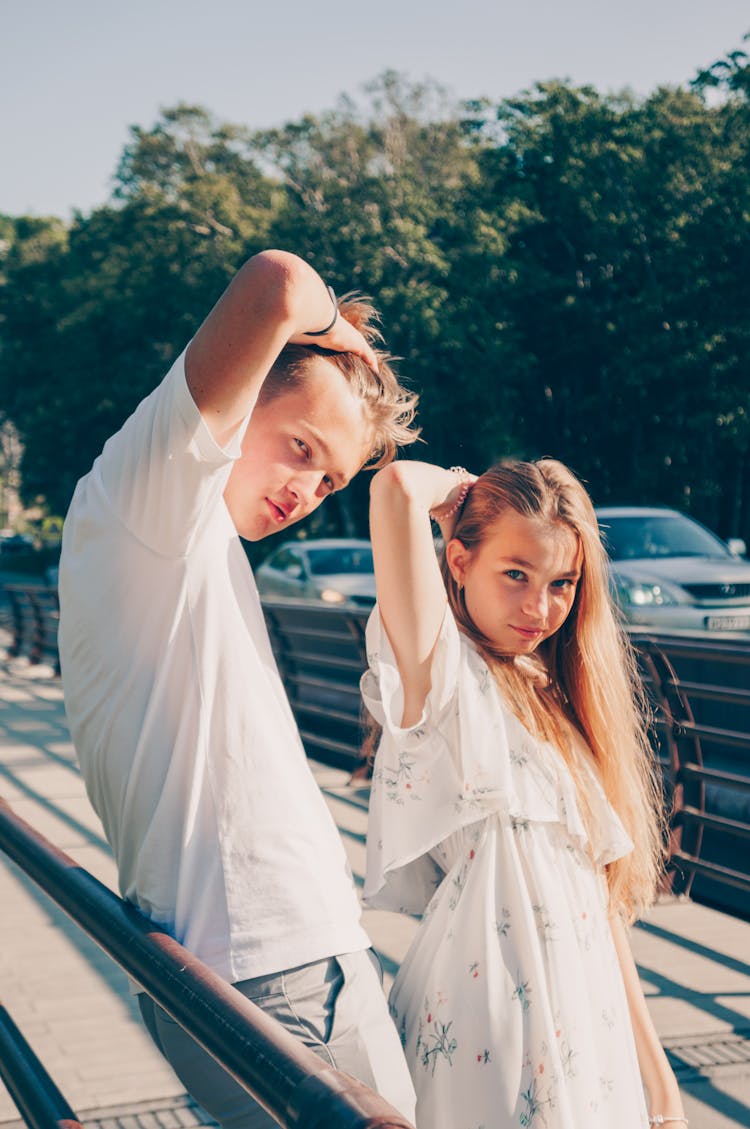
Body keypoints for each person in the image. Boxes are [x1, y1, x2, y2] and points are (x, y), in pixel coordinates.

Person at [57, 250, 419, 1128]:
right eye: (302, 447)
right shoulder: (150, 496)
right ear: (244, 391)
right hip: (265, 971)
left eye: (330, 479)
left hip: (296, 955)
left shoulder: (189, 541)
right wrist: (344, 343)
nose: (307, 491)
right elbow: (278, 284)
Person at [361, 459, 688, 1129]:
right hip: (484, 1030)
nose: (540, 607)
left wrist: (661, 1087)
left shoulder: (556, 700)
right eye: (516, 574)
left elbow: (597, 907)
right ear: (458, 560)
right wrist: (461, 491)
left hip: (585, 1029)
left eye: (561, 582)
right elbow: (394, 489)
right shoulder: (443, 676)